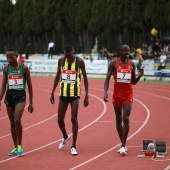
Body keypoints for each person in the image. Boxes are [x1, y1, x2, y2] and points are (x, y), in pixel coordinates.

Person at [104, 45, 144, 156]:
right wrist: (105, 92)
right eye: (125, 50)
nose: (128, 52)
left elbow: (133, 82)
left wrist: (140, 75)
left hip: (128, 94)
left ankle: (123, 145)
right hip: (117, 94)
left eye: (129, 50)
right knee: (118, 118)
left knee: (126, 118)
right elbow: (107, 78)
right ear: (119, 52)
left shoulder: (132, 64)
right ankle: (123, 143)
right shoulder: (113, 64)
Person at [50, 45, 89, 155]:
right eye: (67, 57)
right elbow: (58, 75)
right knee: (59, 119)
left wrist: (87, 96)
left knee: (73, 118)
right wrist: (52, 92)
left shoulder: (80, 61)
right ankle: (65, 136)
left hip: (74, 94)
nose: (69, 58)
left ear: (73, 53)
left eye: (70, 57)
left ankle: (73, 145)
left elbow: (85, 78)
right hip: (63, 93)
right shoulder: (61, 61)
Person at [0, 49, 34, 156]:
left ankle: (20, 145)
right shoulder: (6, 69)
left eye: (11, 57)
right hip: (9, 96)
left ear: (17, 56)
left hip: (20, 96)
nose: (9, 60)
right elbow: (3, 87)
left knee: (17, 119)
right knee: (11, 122)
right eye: (7, 58)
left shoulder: (24, 68)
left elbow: (30, 86)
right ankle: (15, 147)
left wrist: (31, 102)